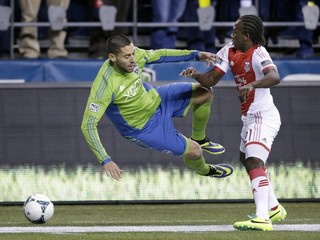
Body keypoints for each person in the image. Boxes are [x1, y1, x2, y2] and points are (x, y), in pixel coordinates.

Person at [180, 15, 287, 231]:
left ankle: (262, 217)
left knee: (254, 161)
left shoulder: (258, 53)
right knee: (245, 159)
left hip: (263, 116)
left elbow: (274, 76)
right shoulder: (228, 50)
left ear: (246, 36)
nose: (232, 33)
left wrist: (252, 85)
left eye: (236, 31)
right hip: (250, 118)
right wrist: (197, 75)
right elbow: (211, 80)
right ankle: (274, 207)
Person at [81, 34, 233, 182]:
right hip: (144, 127)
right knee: (195, 152)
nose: (133, 59)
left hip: (156, 98)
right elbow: (88, 125)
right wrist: (105, 160)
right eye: (127, 56)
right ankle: (205, 170)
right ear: (112, 57)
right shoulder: (104, 86)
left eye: (133, 53)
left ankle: (199, 138)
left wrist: (196, 55)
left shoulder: (135, 56)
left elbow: (162, 55)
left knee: (205, 93)